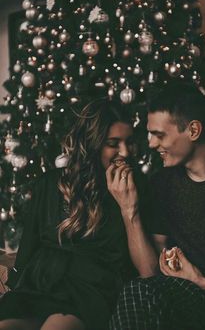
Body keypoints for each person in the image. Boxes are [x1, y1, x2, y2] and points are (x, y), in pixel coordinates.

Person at [0, 97, 157, 330]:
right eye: (113, 143)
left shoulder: (137, 187)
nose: (125, 152)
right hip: (40, 284)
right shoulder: (50, 183)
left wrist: (128, 207)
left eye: (129, 142)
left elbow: (149, 275)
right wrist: (14, 285)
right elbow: (28, 247)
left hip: (89, 291)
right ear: (92, 143)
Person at [110, 83, 205, 330]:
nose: (151, 144)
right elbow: (149, 272)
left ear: (193, 130)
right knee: (137, 290)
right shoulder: (162, 183)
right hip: (190, 295)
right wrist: (129, 211)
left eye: (159, 135)